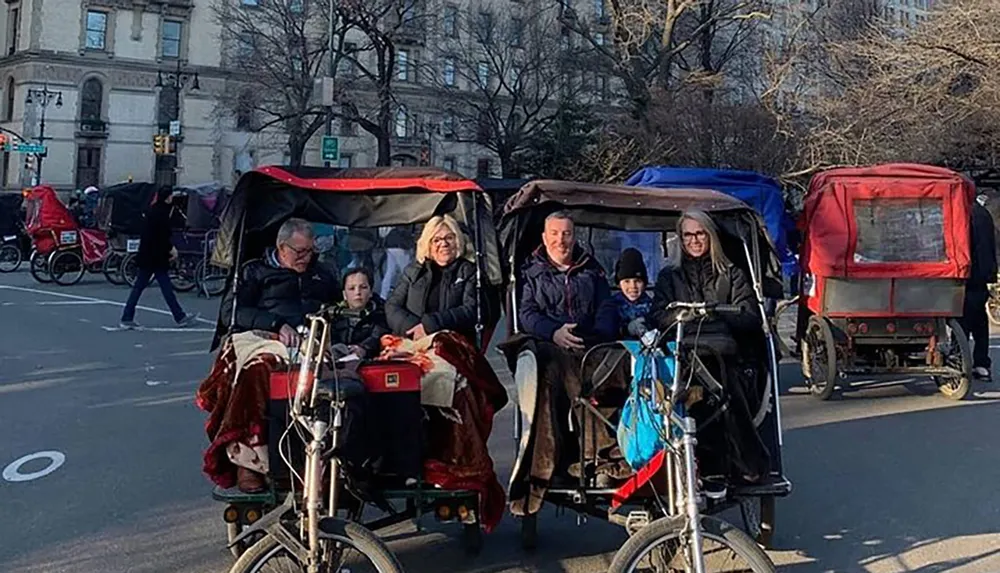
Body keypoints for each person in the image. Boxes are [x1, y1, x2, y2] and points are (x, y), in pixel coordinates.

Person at [649, 209, 770, 483]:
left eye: (700, 233)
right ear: (680, 239)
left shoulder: (731, 273)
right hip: (681, 353)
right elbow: (657, 315)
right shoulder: (670, 277)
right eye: (688, 235)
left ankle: (743, 462)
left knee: (721, 385)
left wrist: (715, 312)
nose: (694, 240)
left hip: (721, 353)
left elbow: (750, 314)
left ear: (710, 236)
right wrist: (685, 315)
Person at [219, 218, 340, 347]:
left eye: (310, 251)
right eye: (300, 252)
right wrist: (276, 324)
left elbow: (339, 303)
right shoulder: (253, 271)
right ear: (282, 247)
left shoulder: (321, 272)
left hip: (317, 345)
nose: (306, 257)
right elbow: (230, 312)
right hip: (269, 343)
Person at [519, 211, 618, 349]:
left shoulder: (592, 268)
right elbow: (527, 313)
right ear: (544, 238)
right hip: (547, 343)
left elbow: (606, 305)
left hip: (590, 343)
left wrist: (600, 335)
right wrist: (553, 332)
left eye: (566, 234)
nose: (560, 240)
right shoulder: (529, 273)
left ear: (574, 238)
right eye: (554, 233)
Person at [386, 214, 480, 343]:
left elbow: (471, 309)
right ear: (428, 244)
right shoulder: (413, 271)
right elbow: (392, 306)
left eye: (449, 238)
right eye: (436, 240)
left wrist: (430, 326)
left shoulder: (468, 271)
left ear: (458, 241)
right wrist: (414, 329)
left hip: (452, 345)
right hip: (411, 342)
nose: (444, 243)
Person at [120, 187, 199, 329]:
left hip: (147, 255)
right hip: (156, 256)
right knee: (165, 287)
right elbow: (162, 236)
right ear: (167, 197)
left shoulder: (152, 210)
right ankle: (180, 316)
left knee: (139, 287)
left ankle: (127, 316)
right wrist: (171, 249)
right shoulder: (162, 214)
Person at [965, 195, 997, 381]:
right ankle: (981, 364)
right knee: (979, 321)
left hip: (965, 273)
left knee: (962, 319)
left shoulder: (963, 213)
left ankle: (960, 359)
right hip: (981, 274)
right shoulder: (983, 214)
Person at [329, 267, 390, 358]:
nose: (358, 292)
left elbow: (378, 336)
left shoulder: (381, 314)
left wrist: (363, 349)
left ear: (370, 292)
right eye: (351, 288)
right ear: (344, 294)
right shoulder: (333, 315)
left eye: (363, 287)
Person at [613, 248, 653, 339]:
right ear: (619, 284)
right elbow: (606, 329)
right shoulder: (612, 306)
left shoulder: (652, 306)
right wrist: (625, 329)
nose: (633, 286)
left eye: (638, 281)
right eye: (627, 281)